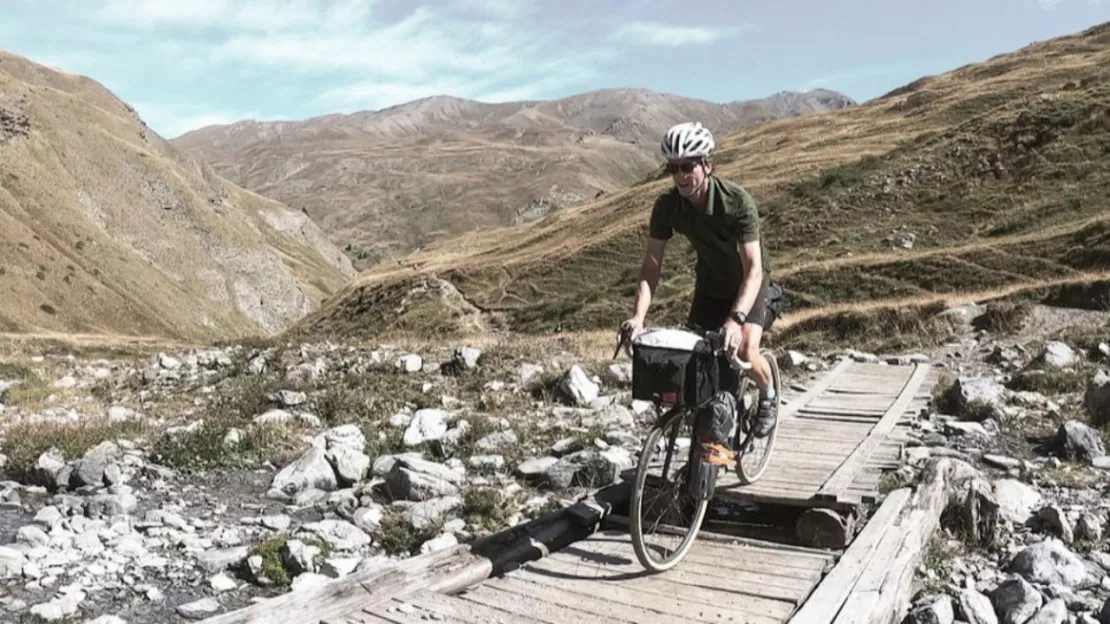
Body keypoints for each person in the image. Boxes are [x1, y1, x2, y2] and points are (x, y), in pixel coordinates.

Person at [621, 121, 778, 463]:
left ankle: (767, 395)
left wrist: (736, 320)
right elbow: (651, 268)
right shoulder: (667, 206)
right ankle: (714, 434)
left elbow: (753, 269)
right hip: (709, 287)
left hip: (749, 285)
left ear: (707, 165)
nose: (680, 176)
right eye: (673, 168)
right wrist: (638, 317)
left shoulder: (736, 202)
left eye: (688, 166)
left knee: (746, 350)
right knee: (696, 363)